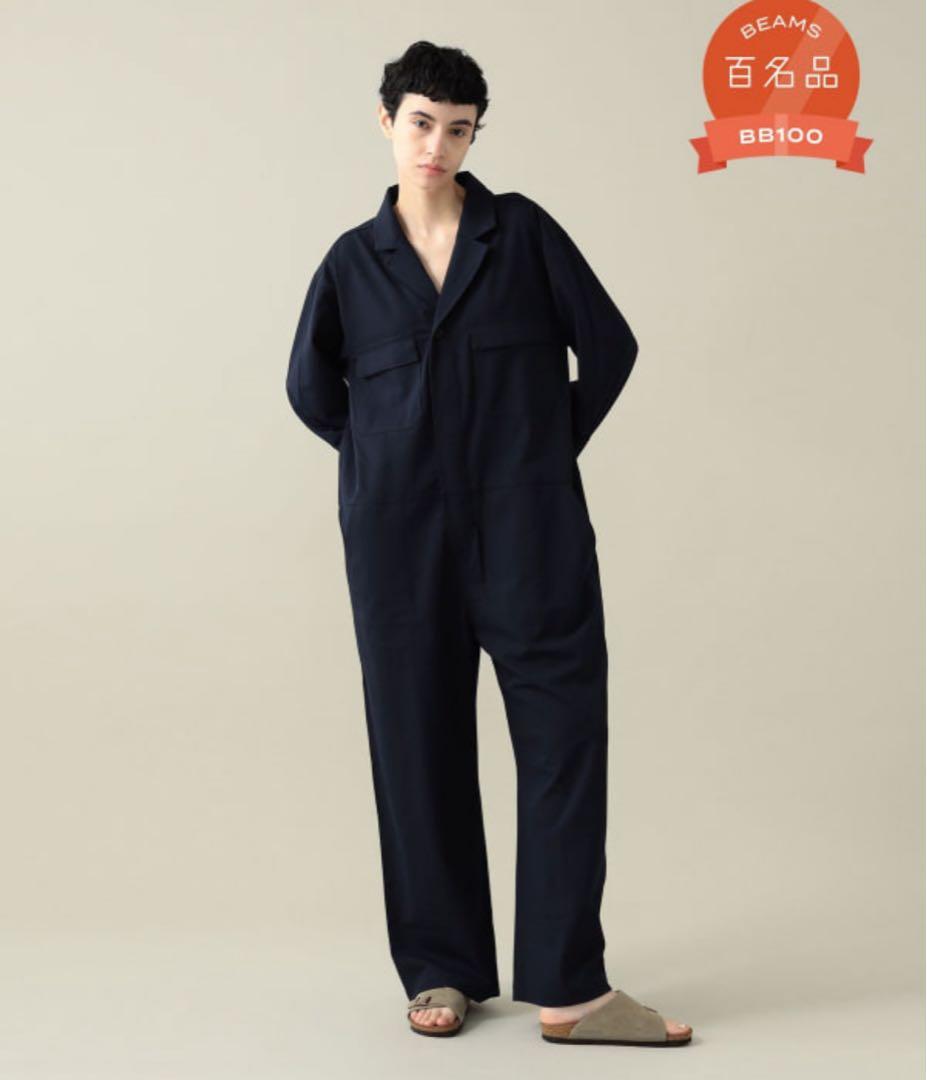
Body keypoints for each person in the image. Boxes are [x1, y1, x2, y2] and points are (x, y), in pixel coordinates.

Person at [286, 40, 692, 1047]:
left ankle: (571, 989)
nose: (436, 144)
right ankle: (443, 969)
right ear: (387, 122)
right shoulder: (351, 265)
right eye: (421, 122)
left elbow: (610, 347)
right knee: (414, 744)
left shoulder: (524, 236)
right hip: (398, 542)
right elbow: (310, 389)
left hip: (528, 527)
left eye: (458, 129)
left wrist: (537, 450)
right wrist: (386, 459)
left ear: (475, 137)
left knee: (563, 740)